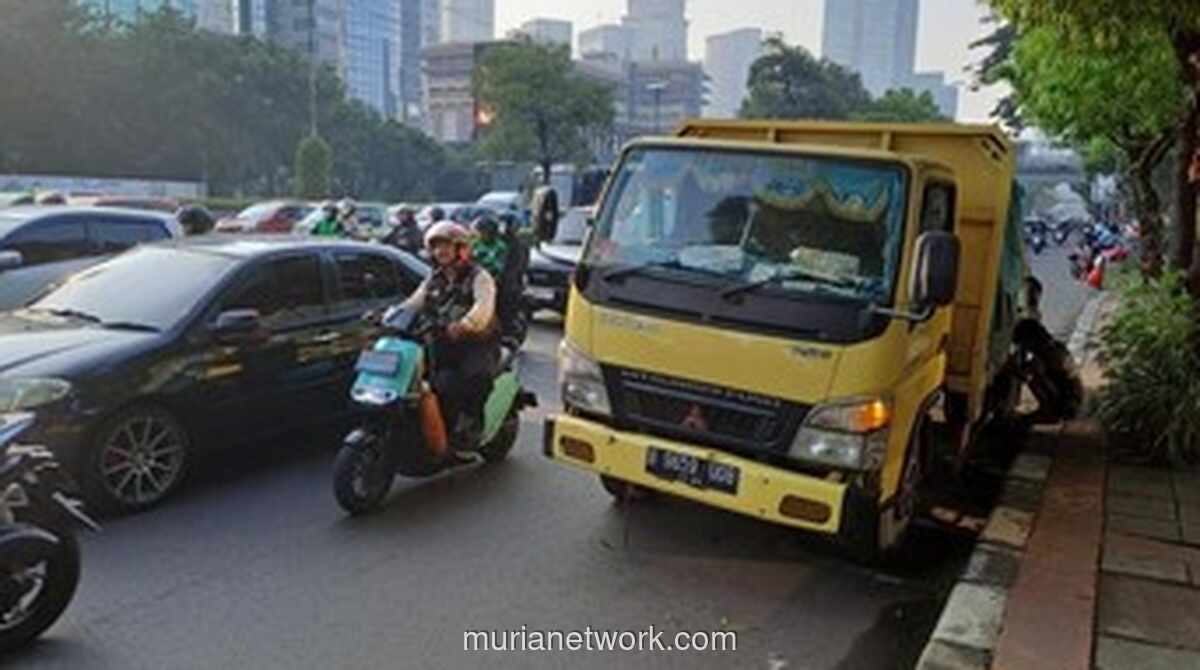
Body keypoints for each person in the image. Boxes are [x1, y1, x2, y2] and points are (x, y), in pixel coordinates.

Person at [397, 221, 499, 459]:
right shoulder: (434, 278)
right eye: (436, 247)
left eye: (446, 246)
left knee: (471, 378)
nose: (440, 251)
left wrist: (465, 325)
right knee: (419, 377)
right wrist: (389, 315)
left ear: (461, 249)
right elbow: (413, 302)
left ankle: (470, 422)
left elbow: (483, 307)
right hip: (441, 339)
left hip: (475, 342)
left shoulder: (480, 277)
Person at [470, 215, 509, 280]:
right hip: (475, 277)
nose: (482, 234)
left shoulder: (500, 246)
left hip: (493, 279)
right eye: (481, 231)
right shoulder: (475, 244)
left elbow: (500, 266)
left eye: (485, 231)